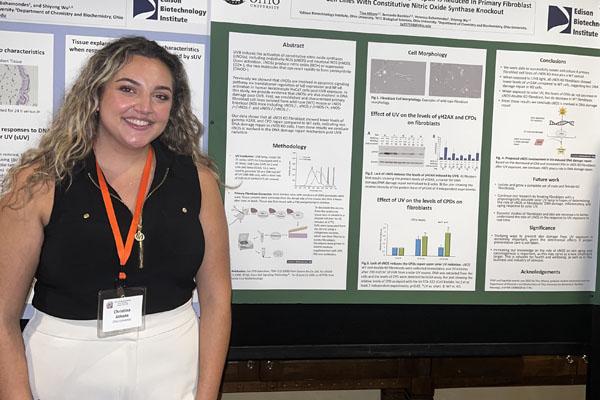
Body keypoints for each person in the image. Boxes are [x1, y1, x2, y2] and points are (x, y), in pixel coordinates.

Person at [0, 36, 231, 400]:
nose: (145, 107)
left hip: (173, 369)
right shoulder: (40, 182)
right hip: (63, 371)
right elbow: (1, 315)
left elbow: (217, 300)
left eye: (160, 96)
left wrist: (205, 395)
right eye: (127, 89)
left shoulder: (197, 181)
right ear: (96, 95)